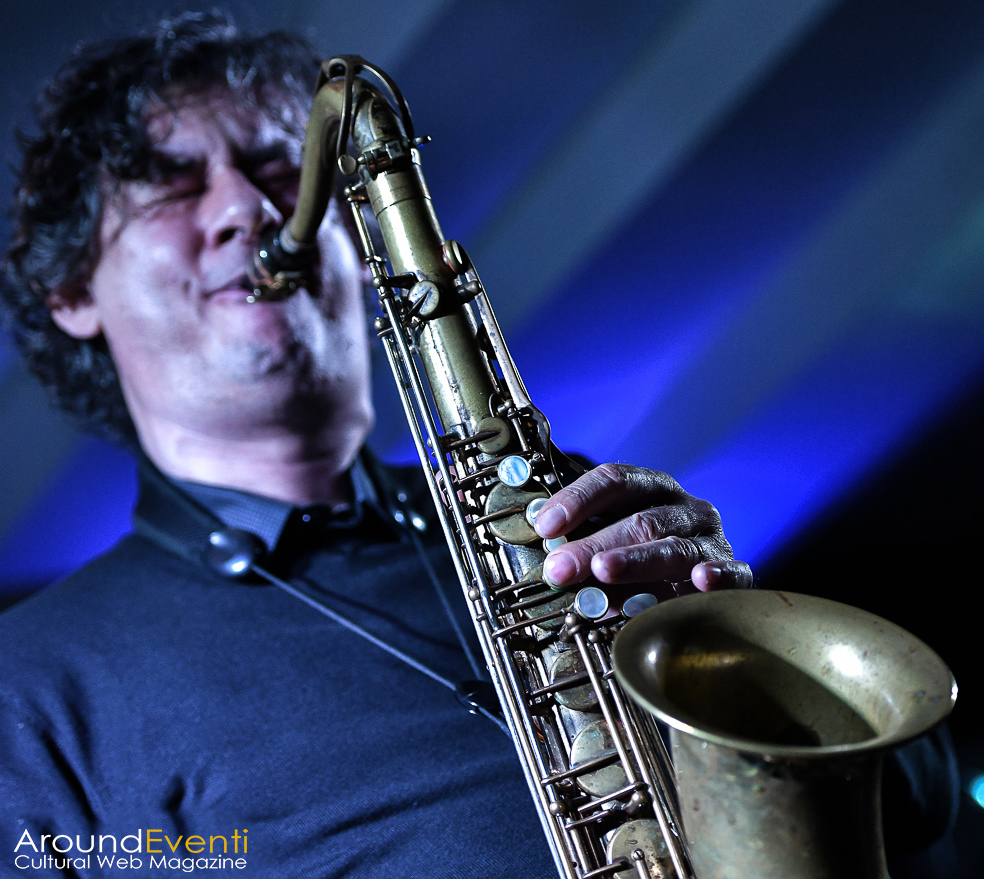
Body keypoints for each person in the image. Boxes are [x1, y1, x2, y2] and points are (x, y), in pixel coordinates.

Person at [0, 12, 953, 879]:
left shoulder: (561, 507)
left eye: (280, 168)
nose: (248, 208)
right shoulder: (30, 688)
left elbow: (919, 803)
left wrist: (741, 638)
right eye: (170, 183)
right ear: (70, 292)